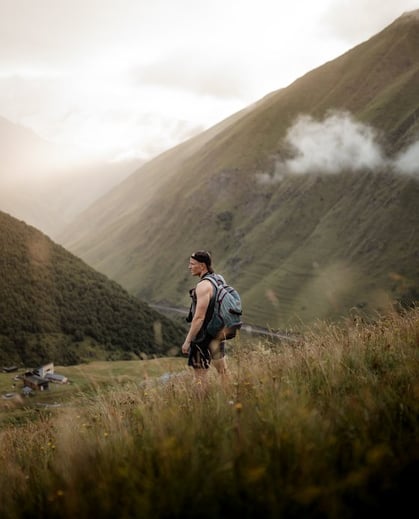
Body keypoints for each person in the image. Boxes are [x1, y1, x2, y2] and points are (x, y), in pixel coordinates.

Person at [181, 250, 228, 379]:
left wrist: (188, 341)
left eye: (192, 264)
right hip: (217, 331)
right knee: (223, 372)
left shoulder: (203, 286)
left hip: (202, 336)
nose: (189, 267)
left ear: (202, 265)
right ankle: (231, 395)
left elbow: (199, 317)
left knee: (200, 378)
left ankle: (201, 399)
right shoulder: (219, 279)